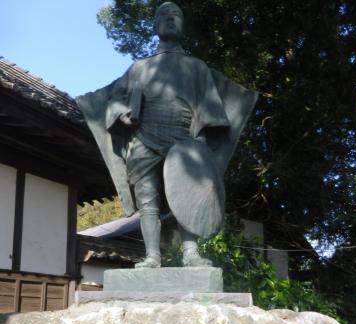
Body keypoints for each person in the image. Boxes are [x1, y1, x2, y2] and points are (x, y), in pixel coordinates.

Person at [77, 2, 257, 268]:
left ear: (183, 25)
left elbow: (211, 112)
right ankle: (152, 256)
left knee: (188, 193)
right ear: (155, 25)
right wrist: (121, 114)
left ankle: (190, 253)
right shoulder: (138, 67)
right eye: (164, 15)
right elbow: (115, 100)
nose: (170, 18)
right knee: (147, 199)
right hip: (143, 137)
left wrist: (200, 146)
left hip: (183, 137)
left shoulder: (196, 67)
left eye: (176, 15)